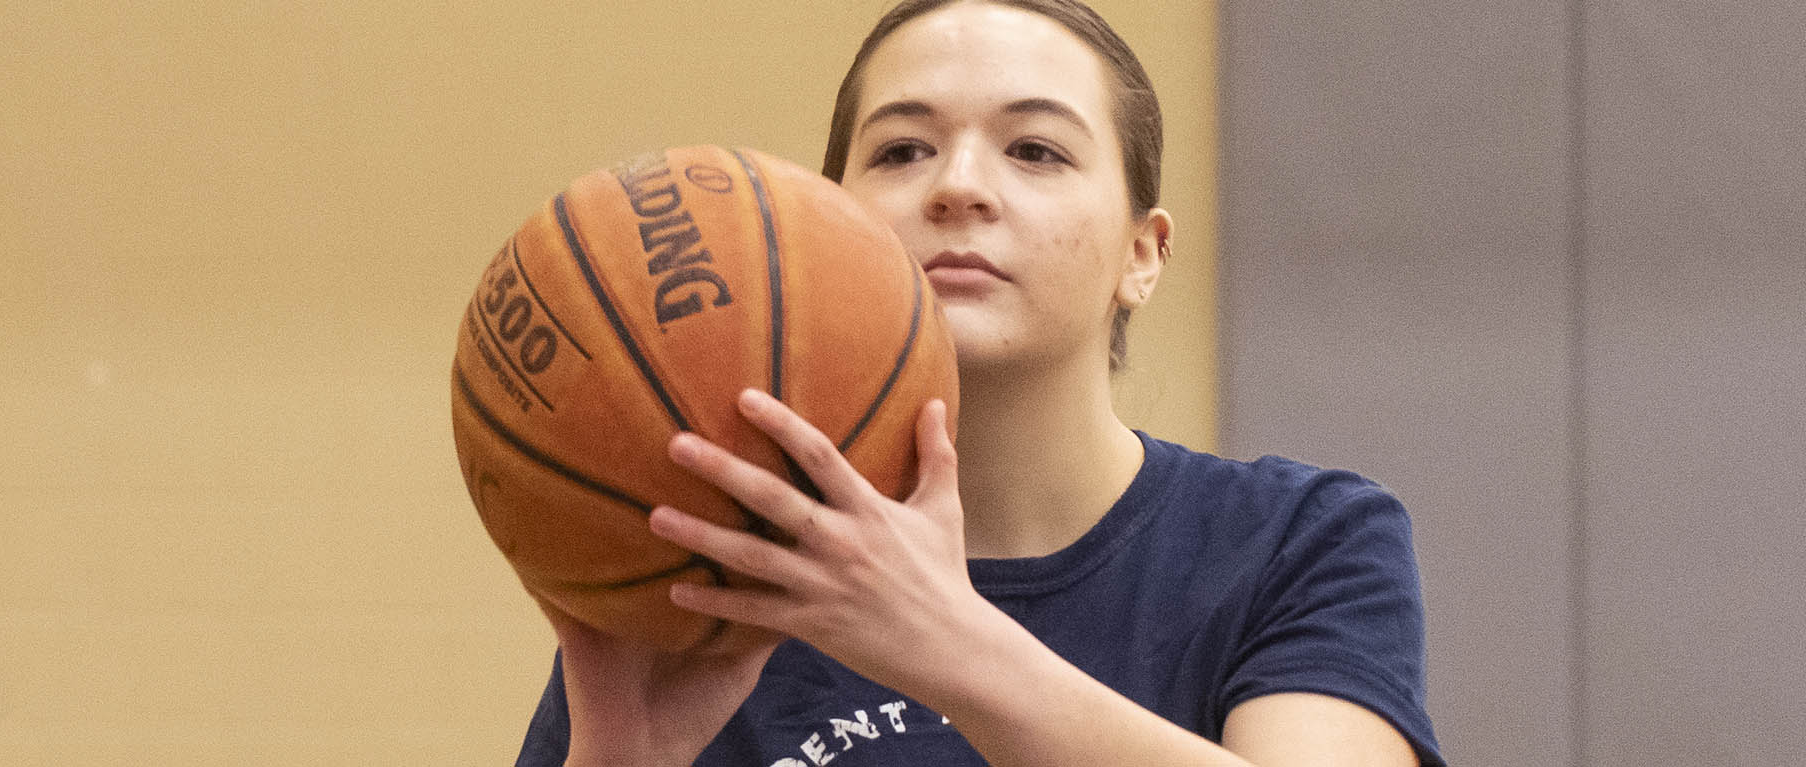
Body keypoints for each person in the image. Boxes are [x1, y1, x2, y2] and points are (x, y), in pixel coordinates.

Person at [518, 1, 1444, 764]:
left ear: (1142, 253)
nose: (957, 185)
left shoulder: (1302, 539)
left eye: (1035, 150)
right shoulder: (717, 562)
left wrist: (943, 639)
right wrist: (621, 751)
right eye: (901, 151)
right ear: (824, 222)